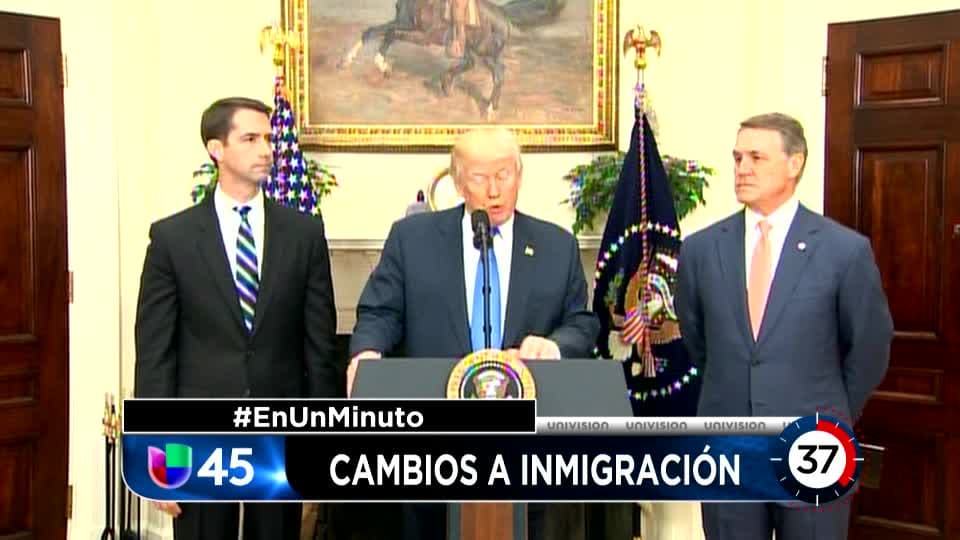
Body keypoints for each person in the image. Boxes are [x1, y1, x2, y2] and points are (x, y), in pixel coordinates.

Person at [348, 127, 599, 540]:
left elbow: (582, 323)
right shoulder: (413, 239)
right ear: (459, 182)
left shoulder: (556, 245)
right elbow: (381, 311)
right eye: (481, 178)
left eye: (504, 175)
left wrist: (555, 346)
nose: (494, 190)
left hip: (527, 445)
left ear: (519, 175)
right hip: (434, 443)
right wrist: (367, 352)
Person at [675, 113, 893, 540]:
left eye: (756, 157)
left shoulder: (843, 251)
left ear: (795, 163)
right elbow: (699, 340)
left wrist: (831, 410)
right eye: (738, 157)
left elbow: (869, 346)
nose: (742, 168)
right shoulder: (701, 250)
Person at [134, 97, 340, 540]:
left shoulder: (303, 234)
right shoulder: (172, 238)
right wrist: (157, 455)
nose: (266, 149)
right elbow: (155, 354)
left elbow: (320, 348)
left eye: (268, 138)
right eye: (250, 139)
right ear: (217, 149)